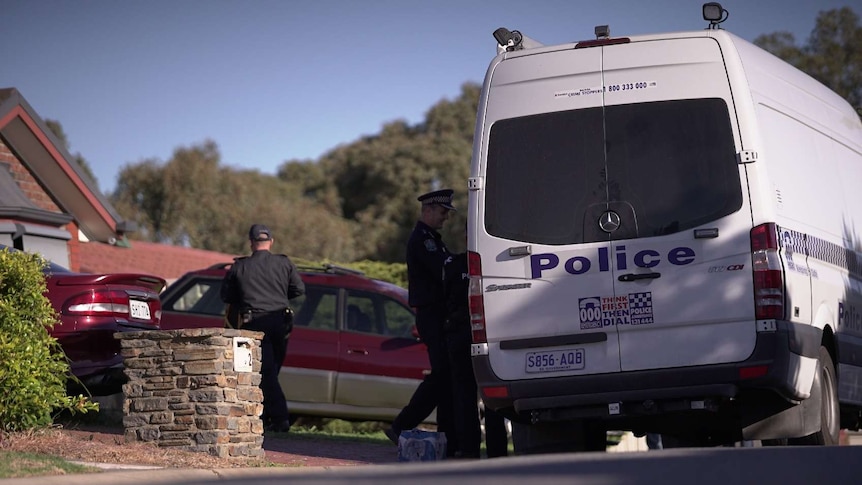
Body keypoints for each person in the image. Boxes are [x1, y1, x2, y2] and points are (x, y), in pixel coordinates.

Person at [385, 189, 457, 456]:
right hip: (432, 314)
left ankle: (448, 437)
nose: (446, 218)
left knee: (446, 376)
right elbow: (443, 270)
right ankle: (403, 425)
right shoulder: (423, 241)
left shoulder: (433, 239)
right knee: (442, 375)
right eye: (442, 212)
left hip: (439, 314)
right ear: (427, 210)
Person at [221, 223, 305, 433]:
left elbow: (226, 296)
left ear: (251, 242)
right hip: (280, 323)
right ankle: (271, 417)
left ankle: (278, 418)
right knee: (270, 371)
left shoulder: (240, 266)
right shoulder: (283, 263)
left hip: (254, 324)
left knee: (265, 373)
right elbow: (299, 289)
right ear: (271, 242)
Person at [444, 248, 509, 458]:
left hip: (461, 333)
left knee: (465, 396)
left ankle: (469, 449)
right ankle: (497, 451)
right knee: (493, 395)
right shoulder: (492, 262)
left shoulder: (453, 264)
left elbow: (444, 299)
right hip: (488, 334)